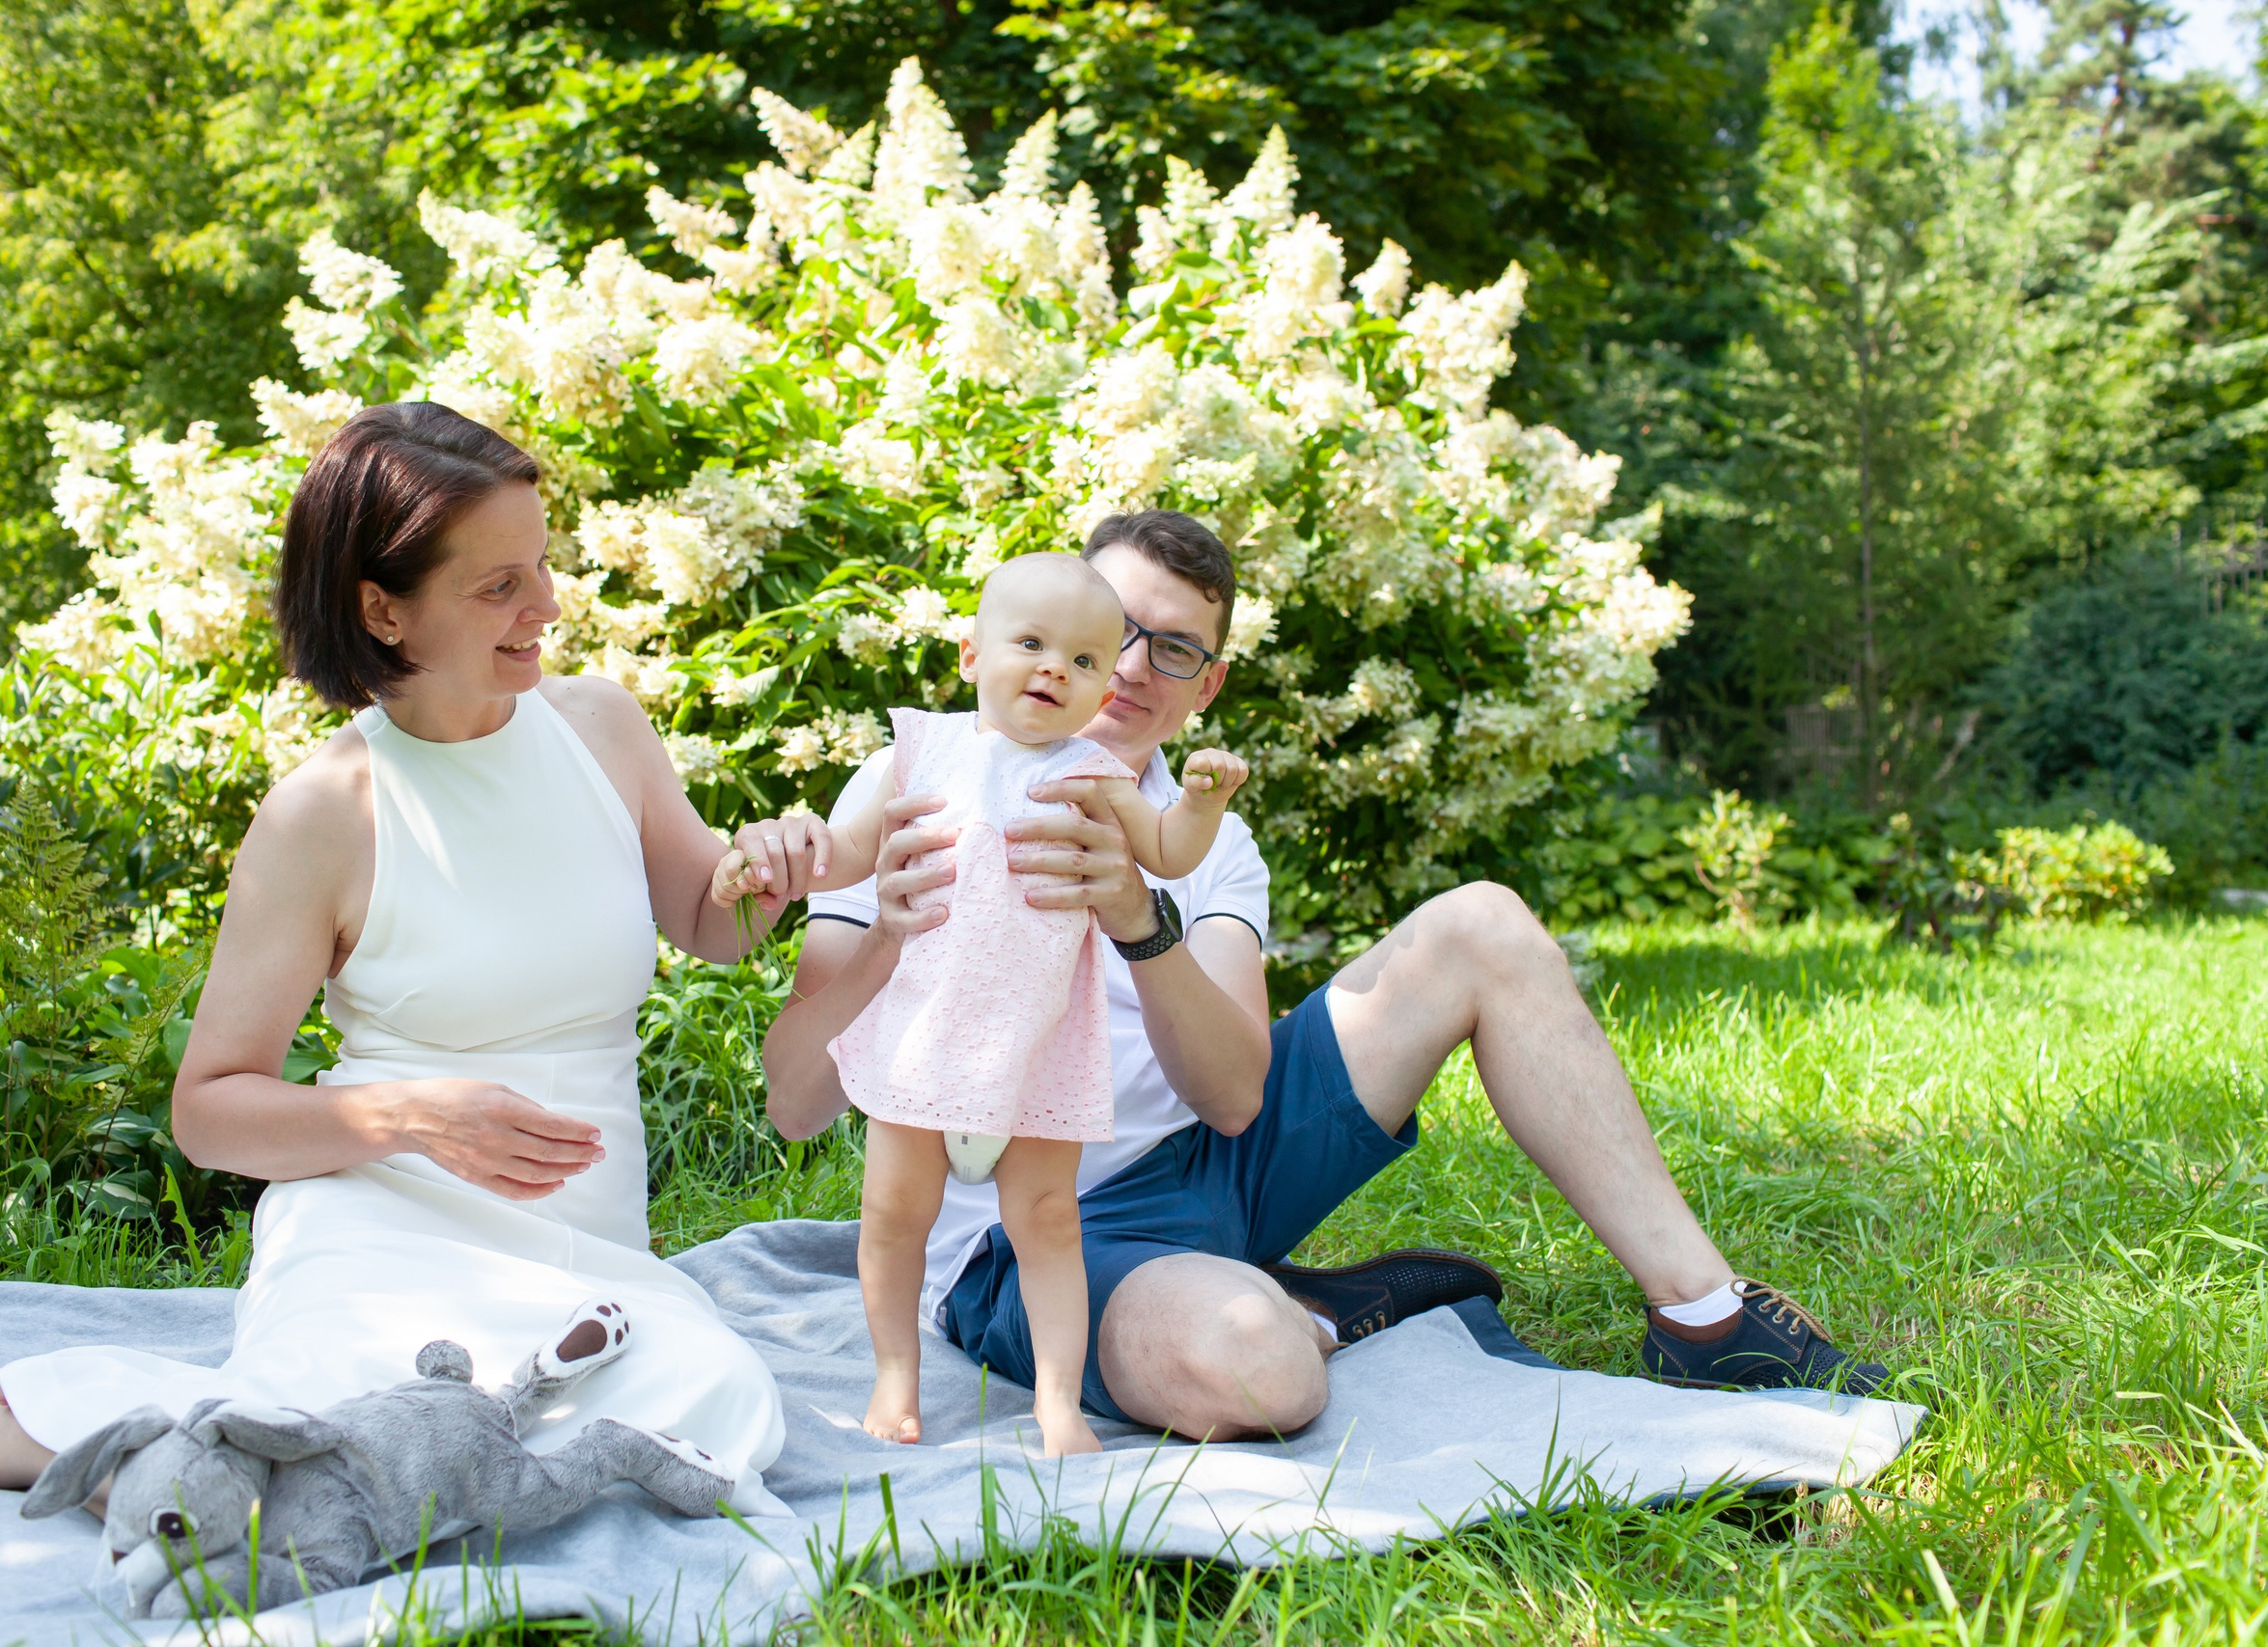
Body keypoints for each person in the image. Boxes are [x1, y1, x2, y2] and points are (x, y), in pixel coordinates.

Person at [0, 403, 790, 1510]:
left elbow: (711, 921)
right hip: (385, 1225)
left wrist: (778, 868)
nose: (546, 607)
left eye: (544, 568)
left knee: (719, 1402)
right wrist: (412, 1119)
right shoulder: (324, 812)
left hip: (584, 1250)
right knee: (347, 1416)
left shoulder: (600, 729)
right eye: (499, 585)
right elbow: (209, 1109)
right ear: (384, 610)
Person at [755, 508, 1888, 1442]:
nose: (1130, 670)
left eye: (1174, 649)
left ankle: (1705, 1317)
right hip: (1036, 1225)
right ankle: (1314, 1311)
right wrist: (894, 935)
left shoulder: (1200, 839)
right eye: (1112, 630)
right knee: (1260, 1377)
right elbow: (796, 1101)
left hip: (1215, 1165)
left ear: (1209, 684)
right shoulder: (922, 781)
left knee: (1480, 923)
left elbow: (1236, 1095)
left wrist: (1135, 914)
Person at [710, 554, 1246, 1455]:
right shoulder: (921, 752)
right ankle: (895, 1380)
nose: (1055, 670)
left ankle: (1055, 1401)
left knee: (1048, 1223)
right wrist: (773, 860)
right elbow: (842, 853)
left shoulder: (1092, 772)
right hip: (924, 1037)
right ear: (969, 654)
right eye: (1030, 644)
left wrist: (1201, 798)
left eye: (1082, 660)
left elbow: (1168, 850)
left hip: (1037, 1048)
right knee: (892, 1213)